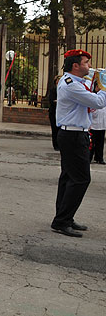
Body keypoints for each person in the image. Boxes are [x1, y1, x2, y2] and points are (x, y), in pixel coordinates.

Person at [52, 49, 106, 237]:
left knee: (68, 178)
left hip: (73, 135)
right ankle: (62, 220)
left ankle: (64, 216)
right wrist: (105, 87)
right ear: (75, 66)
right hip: (73, 136)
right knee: (81, 179)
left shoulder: (75, 82)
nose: (89, 67)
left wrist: (96, 78)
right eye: (86, 63)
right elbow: (98, 102)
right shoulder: (70, 85)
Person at [89, 84, 106, 165]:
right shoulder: (93, 97)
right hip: (94, 125)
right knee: (91, 143)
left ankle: (99, 158)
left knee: (100, 143)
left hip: (102, 125)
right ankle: (89, 157)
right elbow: (92, 112)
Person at [49, 75, 61, 151]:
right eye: (58, 80)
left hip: (61, 112)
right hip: (53, 111)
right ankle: (55, 144)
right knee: (54, 129)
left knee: (60, 129)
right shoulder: (53, 89)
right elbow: (52, 101)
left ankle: (60, 143)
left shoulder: (63, 89)